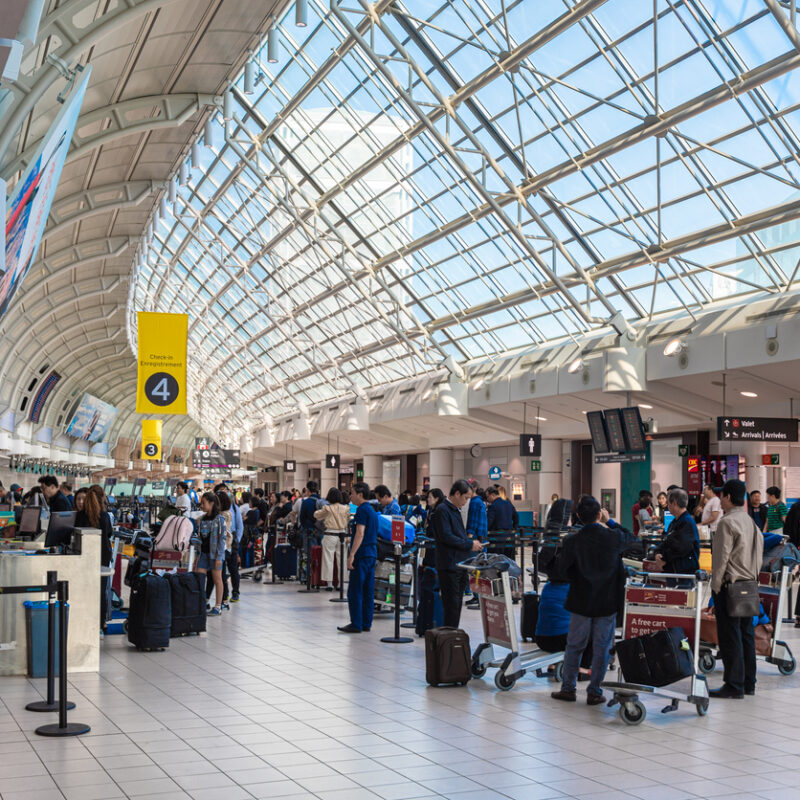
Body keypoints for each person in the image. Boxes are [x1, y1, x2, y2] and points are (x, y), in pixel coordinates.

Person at [551, 495, 624, 705]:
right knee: (601, 647)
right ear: (599, 514)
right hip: (606, 602)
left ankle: (568, 688)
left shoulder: (572, 540)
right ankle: (594, 691)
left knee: (574, 645)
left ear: (579, 517)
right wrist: (609, 522)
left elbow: (562, 570)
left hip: (581, 600)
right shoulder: (612, 537)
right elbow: (632, 538)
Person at [709, 479, 762, 698]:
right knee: (746, 634)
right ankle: (749, 683)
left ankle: (733, 685)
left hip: (730, 586)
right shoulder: (751, 522)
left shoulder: (727, 522)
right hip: (749, 585)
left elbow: (721, 558)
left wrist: (715, 586)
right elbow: (758, 554)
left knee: (730, 636)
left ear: (729, 497)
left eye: (722, 496)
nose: (720, 500)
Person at [430, 480, 484, 628]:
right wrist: (469, 544)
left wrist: (469, 543)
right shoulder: (443, 510)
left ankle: (452, 634)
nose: (466, 502)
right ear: (457, 493)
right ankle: (449, 636)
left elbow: (457, 536)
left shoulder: (454, 510)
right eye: (465, 498)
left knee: (456, 604)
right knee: (452, 606)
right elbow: (446, 536)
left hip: (458, 564)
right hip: (449, 565)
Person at [338, 482, 378, 633]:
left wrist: (352, 554)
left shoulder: (361, 510)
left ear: (360, 495)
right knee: (368, 590)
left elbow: (360, 533)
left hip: (361, 554)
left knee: (355, 589)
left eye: (353, 493)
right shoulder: (372, 511)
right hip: (372, 553)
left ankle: (356, 623)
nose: (350, 496)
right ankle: (366, 622)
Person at [75, 485, 113, 634]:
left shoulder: (80, 516)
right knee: (100, 590)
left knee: (85, 589)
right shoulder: (104, 516)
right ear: (102, 497)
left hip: (85, 556)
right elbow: (109, 534)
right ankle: (101, 623)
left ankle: (86, 620)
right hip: (103, 556)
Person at [653, 488, 699, 575]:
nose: (667, 505)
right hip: (674, 571)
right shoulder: (675, 522)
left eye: (668, 503)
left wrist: (663, 559)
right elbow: (667, 541)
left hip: (683, 573)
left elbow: (680, 547)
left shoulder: (687, 522)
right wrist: (657, 552)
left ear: (674, 503)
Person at [195, 492, 227, 616]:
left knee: (217, 579)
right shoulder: (202, 519)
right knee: (199, 578)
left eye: (204, 503)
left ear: (212, 503)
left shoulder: (219, 519)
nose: (201, 505)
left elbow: (222, 539)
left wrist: (219, 557)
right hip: (203, 554)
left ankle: (218, 606)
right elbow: (199, 537)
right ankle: (202, 601)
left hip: (215, 555)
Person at [314, 488, 349, 589]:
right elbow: (347, 521)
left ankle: (329, 584)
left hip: (330, 534)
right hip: (342, 535)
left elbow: (317, 515)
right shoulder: (346, 508)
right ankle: (340, 584)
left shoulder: (327, 508)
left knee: (328, 559)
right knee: (342, 560)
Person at [464, 481, 488, 609]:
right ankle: (478, 596)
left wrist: (469, 539)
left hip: (476, 540)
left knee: (473, 568)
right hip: (483, 539)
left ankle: (476, 596)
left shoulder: (474, 503)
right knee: (479, 568)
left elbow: (472, 523)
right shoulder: (481, 502)